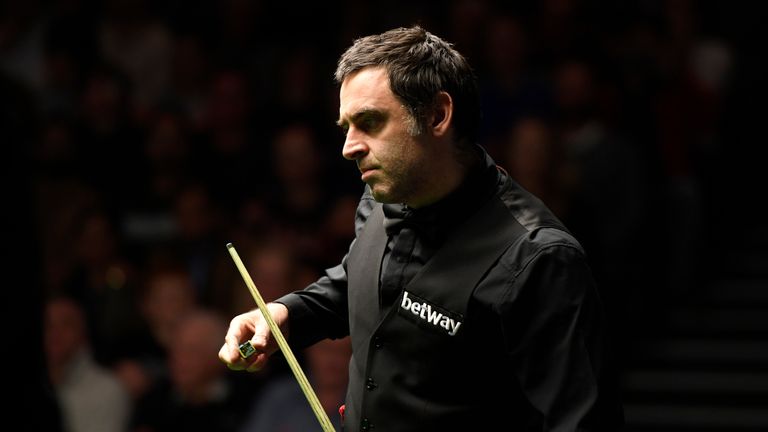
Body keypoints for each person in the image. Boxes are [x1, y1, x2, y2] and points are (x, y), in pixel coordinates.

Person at [219, 25, 623, 431]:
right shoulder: (382, 196)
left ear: (437, 115)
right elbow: (361, 282)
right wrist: (283, 314)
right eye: (346, 128)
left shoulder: (538, 259)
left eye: (370, 122)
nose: (349, 147)